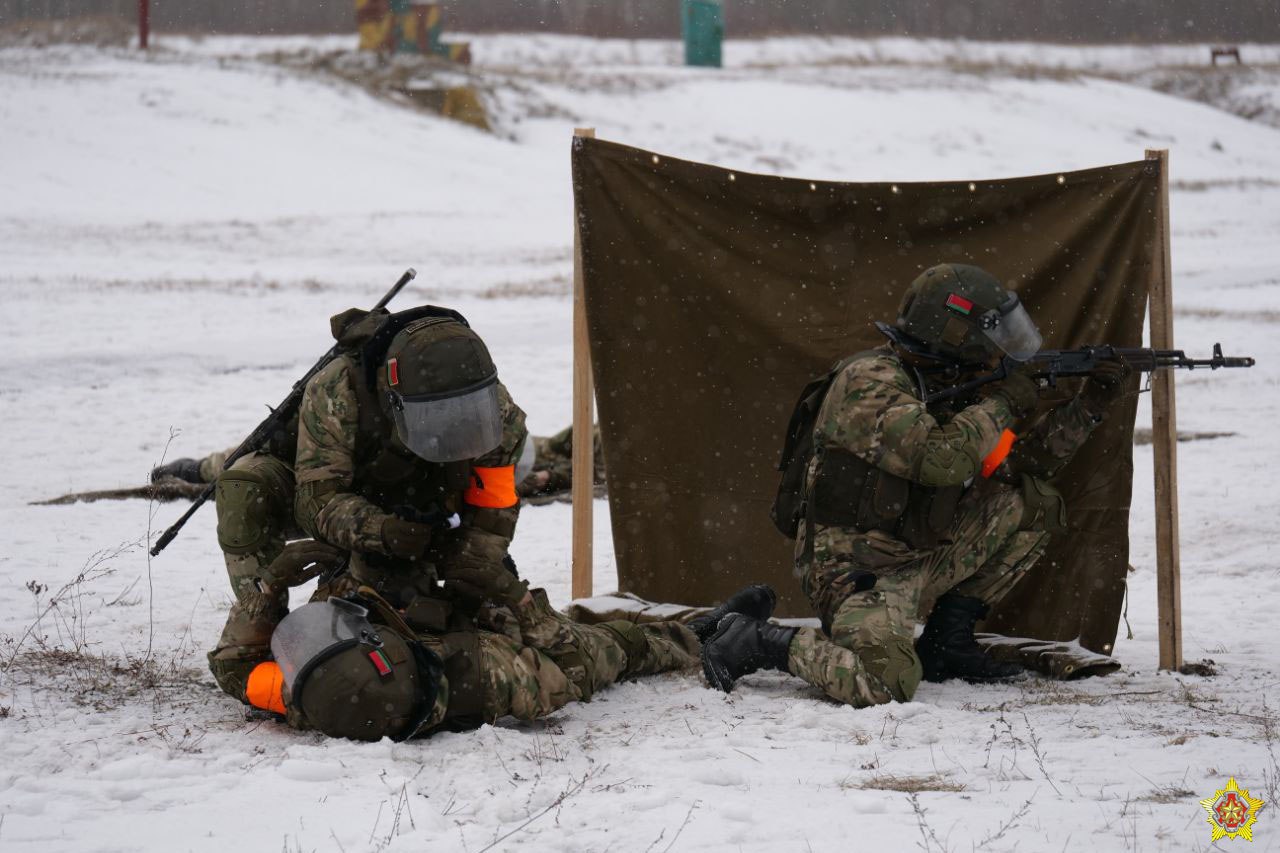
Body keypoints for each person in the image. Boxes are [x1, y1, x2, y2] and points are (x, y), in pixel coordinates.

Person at [701, 263, 1131, 707]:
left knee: (1032, 503)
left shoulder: (953, 383)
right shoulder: (869, 382)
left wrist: (1087, 408)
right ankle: (757, 639)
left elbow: (1020, 465)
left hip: (917, 550)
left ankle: (948, 645)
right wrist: (1003, 402)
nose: (996, 348)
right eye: (987, 331)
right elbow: (940, 460)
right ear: (953, 331)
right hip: (855, 567)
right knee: (885, 682)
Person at [204, 304, 538, 702]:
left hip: (431, 505)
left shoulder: (496, 409)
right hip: (347, 497)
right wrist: (381, 531)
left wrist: (473, 574)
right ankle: (266, 636)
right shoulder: (337, 389)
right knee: (244, 484)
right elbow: (318, 502)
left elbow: (495, 508)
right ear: (392, 395)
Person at [223, 541, 774, 739]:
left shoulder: (314, 692)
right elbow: (561, 656)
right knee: (618, 646)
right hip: (539, 656)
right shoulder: (500, 678)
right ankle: (706, 633)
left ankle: (700, 621)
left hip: (470, 633)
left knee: (594, 626)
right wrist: (508, 594)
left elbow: (239, 671)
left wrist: (271, 586)